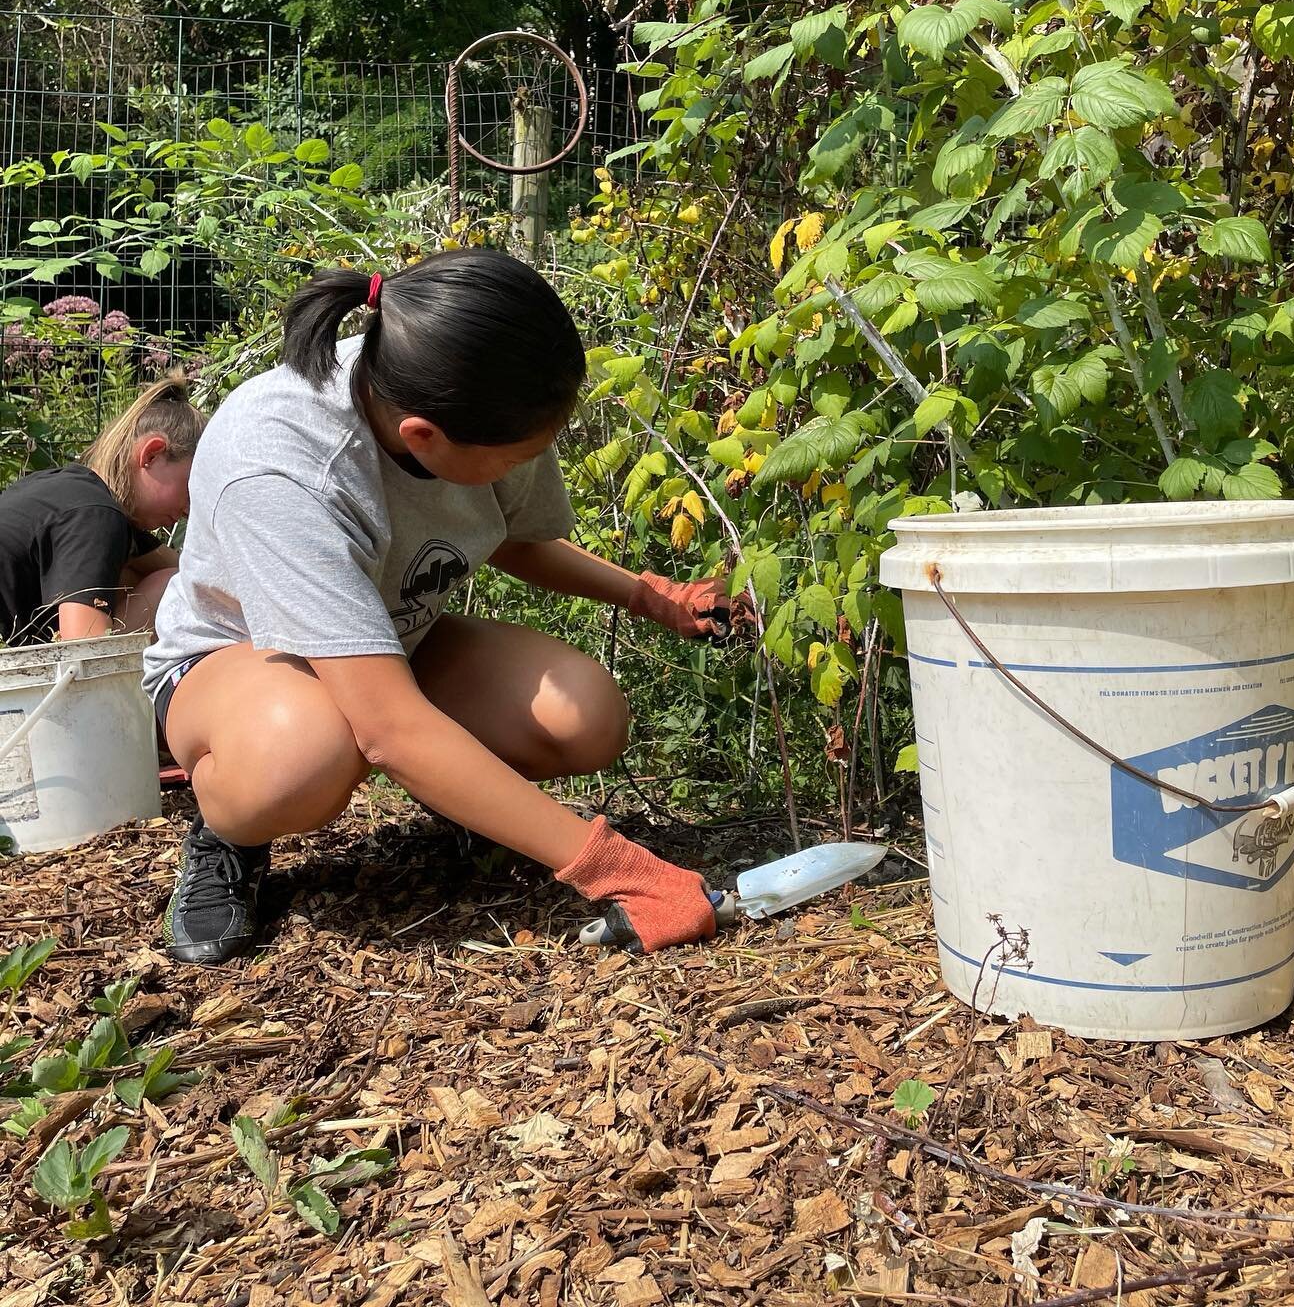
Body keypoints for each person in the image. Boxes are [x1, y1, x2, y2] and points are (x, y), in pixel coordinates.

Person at [145, 248, 741, 966]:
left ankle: (466, 795)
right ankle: (228, 833)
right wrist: (617, 871)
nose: (528, 463)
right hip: (235, 666)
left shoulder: (469, 383)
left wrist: (654, 596)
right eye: (520, 455)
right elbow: (388, 729)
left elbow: (517, 538)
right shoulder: (277, 463)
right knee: (301, 755)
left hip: (395, 640)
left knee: (583, 715)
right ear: (422, 438)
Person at [0, 374, 204, 646]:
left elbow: (193, 572)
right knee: (172, 588)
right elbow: (84, 650)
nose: (190, 510)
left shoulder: (67, 490)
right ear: (151, 455)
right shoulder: (96, 516)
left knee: (155, 580)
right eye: (191, 489)